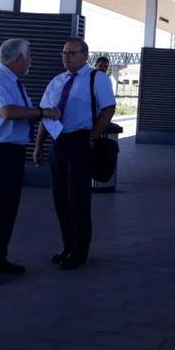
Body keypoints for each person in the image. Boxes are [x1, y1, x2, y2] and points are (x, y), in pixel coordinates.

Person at [0, 38, 61, 286]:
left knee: (8, 207)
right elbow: (7, 112)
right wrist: (43, 113)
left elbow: (19, 114)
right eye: (29, 55)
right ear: (18, 58)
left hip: (11, 151)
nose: (31, 60)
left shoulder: (14, 83)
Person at [34, 37, 116, 270]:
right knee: (60, 198)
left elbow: (109, 109)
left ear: (84, 55)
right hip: (59, 142)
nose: (66, 57)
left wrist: (92, 137)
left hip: (81, 142)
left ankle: (80, 251)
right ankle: (67, 246)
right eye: (64, 53)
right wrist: (40, 145)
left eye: (71, 53)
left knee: (78, 199)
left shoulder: (96, 78)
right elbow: (45, 113)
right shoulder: (57, 80)